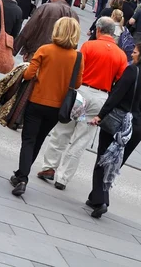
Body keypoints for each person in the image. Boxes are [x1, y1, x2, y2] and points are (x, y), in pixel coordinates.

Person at [37, 17, 127, 190]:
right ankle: (63, 178)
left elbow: (77, 69)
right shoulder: (121, 55)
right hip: (101, 97)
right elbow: (120, 82)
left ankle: (49, 167)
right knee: (81, 139)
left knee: (62, 130)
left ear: (99, 30)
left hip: (81, 91)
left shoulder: (89, 46)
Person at [10, 17, 83, 196]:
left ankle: (22, 178)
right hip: (58, 108)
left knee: (28, 139)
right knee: (39, 139)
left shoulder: (45, 50)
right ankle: (21, 173)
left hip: (36, 101)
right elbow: (78, 83)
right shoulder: (78, 57)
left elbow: (28, 75)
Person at [88, 43, 141, 217]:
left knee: (103, 160)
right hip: (136, 128)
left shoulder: (131, 71)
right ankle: (95, 196)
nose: (132, 55)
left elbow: (116, 95)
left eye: (135, 52)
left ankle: (101, 200)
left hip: (117, 122)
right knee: (115, 162)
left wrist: (101, 115)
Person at [14, 0, 79, 61]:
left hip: (38, 52)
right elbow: (75, 38)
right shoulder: (74, 15)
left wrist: (17, 49)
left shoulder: (45, 7)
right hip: (59, 58)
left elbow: (29, 28)